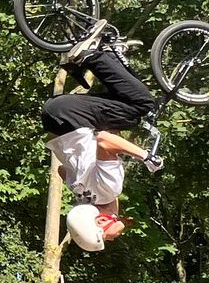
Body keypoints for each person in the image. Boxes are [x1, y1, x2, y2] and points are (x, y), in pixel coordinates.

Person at [42, 20, 162, 250]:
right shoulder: (81, 194)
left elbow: (104, 140)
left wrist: (145, 156)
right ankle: (111, 52)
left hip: (71, 116)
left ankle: (92, 55)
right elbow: (61, 169)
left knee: (143, 105)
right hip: (55, 117)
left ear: (102, 220)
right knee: (124, 112)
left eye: (109, 236)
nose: (114, 236)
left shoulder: (109, 190)